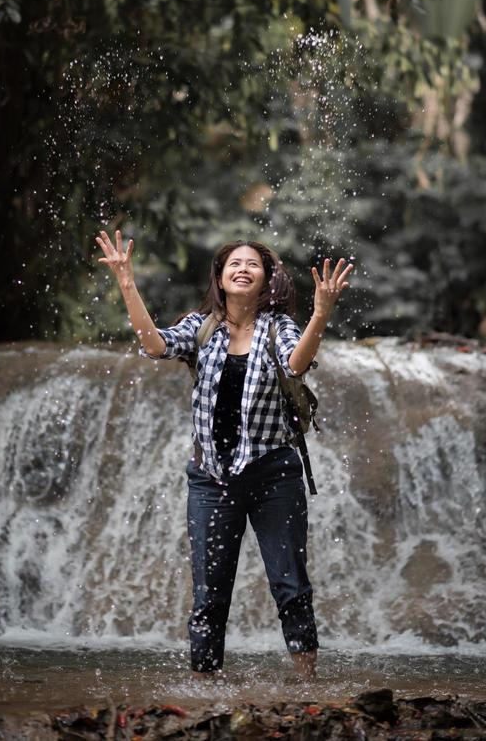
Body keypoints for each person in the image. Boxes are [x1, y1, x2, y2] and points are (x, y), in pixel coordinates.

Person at [95, 229, 352, 679]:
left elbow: (296, 363)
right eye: (234, 263)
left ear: (267, 277)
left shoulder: (279, 327)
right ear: (220, 276)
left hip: (274, 474)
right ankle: (203, 684)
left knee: (290, 584)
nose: (243, 269)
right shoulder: (203, 326)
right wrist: (125, 281)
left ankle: (307, 683)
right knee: (210, 593)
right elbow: (155, 346)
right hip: (211, 477)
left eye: (253, 264)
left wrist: (322, 312)